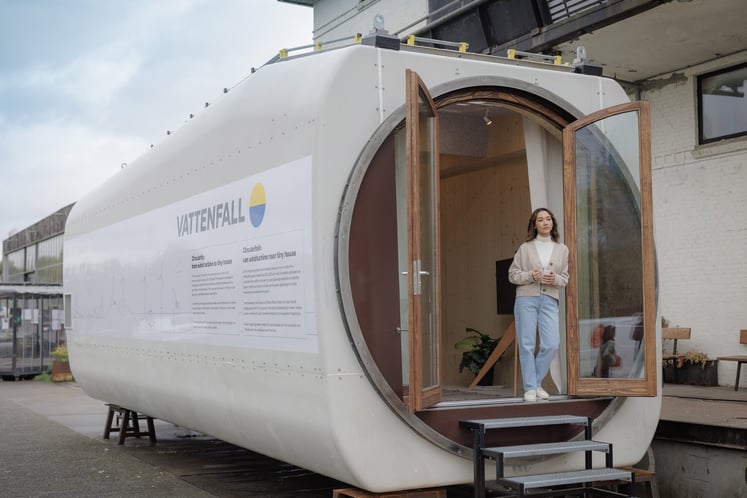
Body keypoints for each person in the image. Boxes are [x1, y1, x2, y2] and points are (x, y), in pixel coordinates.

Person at [509, 207, 569, 402]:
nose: (545, 222)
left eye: (548, 219)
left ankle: (535, 382)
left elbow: (565, 279)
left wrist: (555, 279)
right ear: (534, 224)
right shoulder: (525, 248)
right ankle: (530, 388)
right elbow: (512, 275)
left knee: (552, 344)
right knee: (526, 344)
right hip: (526, 298)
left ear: (553, 223)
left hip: (550, 299)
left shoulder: (562, 249)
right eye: (541, 219)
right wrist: (529, 275)